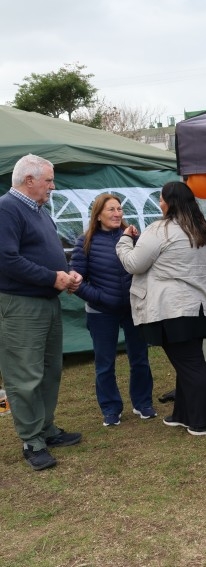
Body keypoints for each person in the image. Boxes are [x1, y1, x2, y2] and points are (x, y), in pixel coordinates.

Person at [116, 181, 206, 436]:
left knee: (190, 364)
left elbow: (134, 264)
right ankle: (184, 414)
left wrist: (124, 242)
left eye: (162, 199)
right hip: (199, 306)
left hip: (173, 308)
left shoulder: (160, 230)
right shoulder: (203, 230)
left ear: (171, 202)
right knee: (188, 361)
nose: (160, 203)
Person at [0, 154, 83, 471]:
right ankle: (32, 441)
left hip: (47, 301)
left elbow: (51, 253)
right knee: (25, 375)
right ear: (29, 180)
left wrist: (67, 274)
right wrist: (52, 277)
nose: (53, 185)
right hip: (21, 304)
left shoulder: (39, 211)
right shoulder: (7, 208)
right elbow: (6, 260)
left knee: (49, 369)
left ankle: (46, 429)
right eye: (48, 180)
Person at [70, 193, 156, 427]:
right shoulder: (84, 242)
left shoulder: (134, 238)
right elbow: (76, 281)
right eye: (111, 210)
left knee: (139, 358)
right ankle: (110, 408)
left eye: (119, 209)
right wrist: (100, 298)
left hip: (132, 308)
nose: (117, 213)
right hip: (101, 312)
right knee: (105, 362)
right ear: (98, 215)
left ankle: (143, 402)